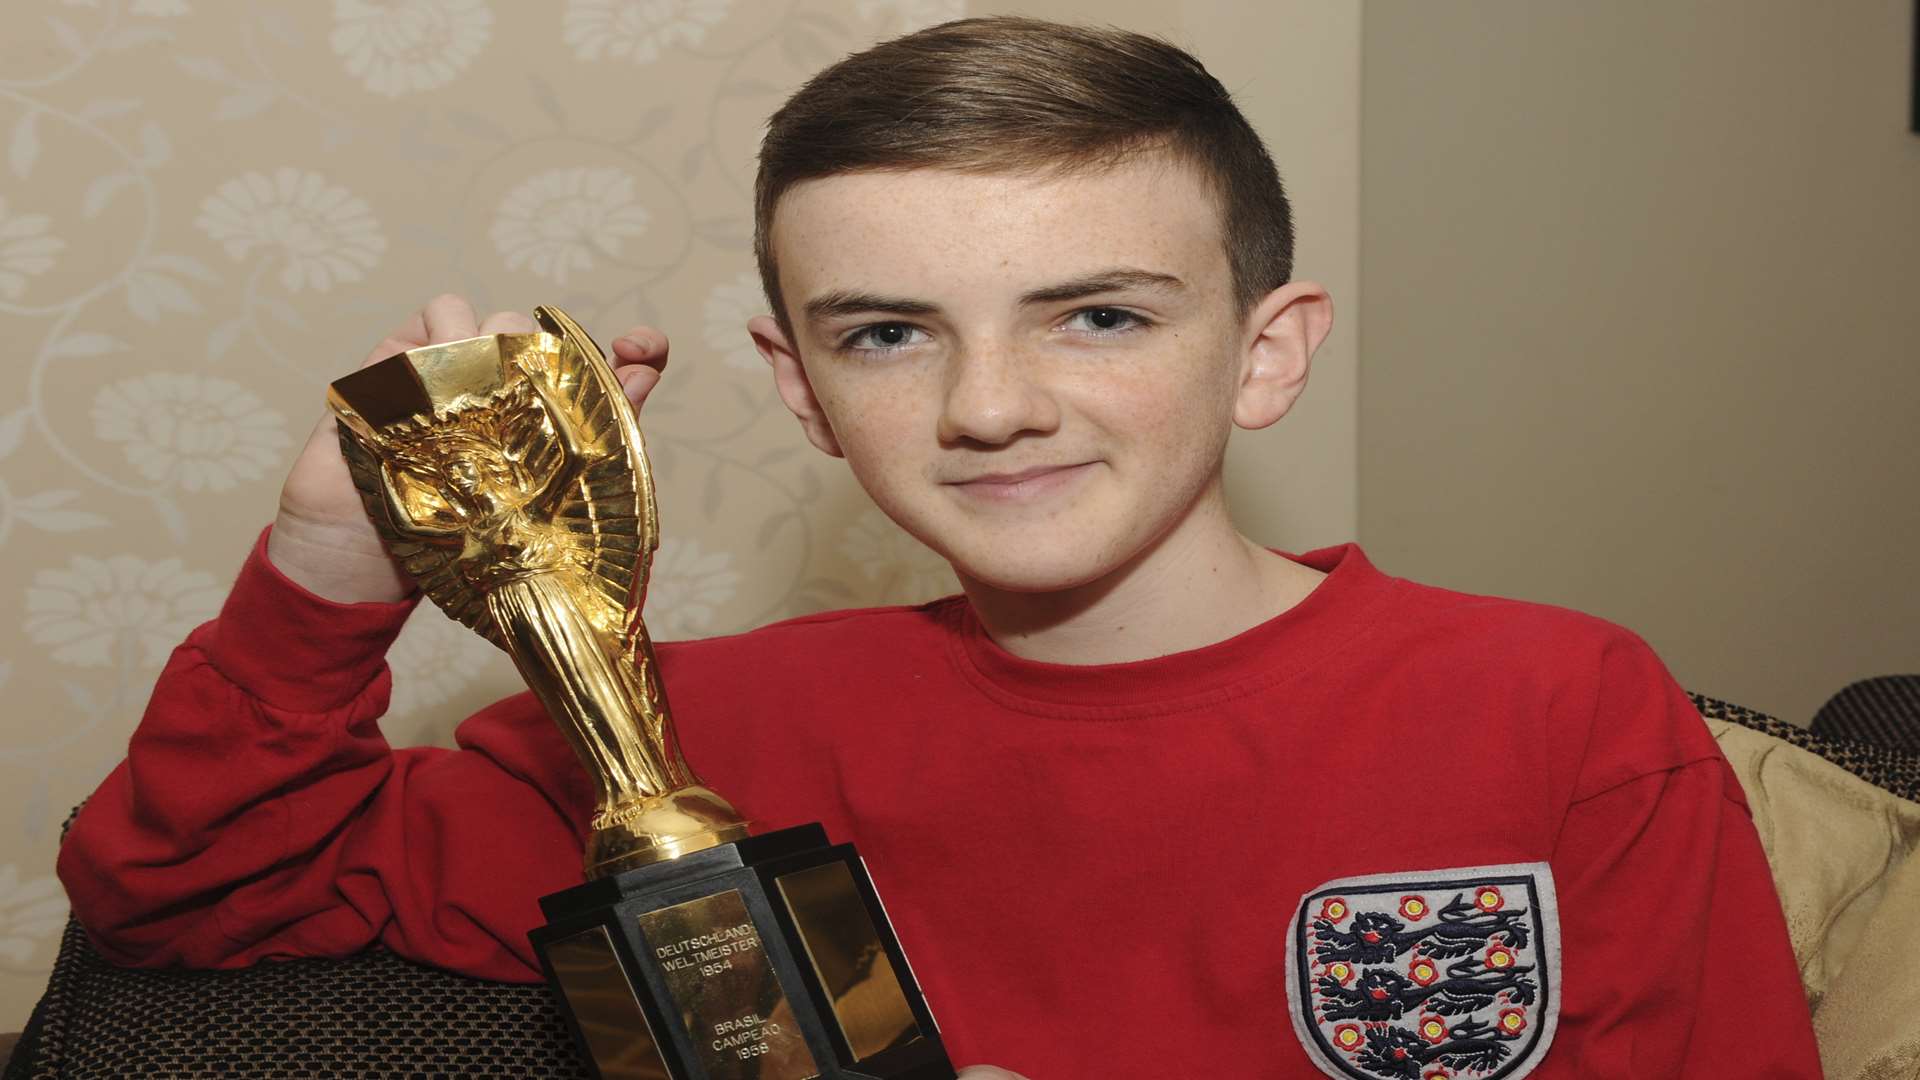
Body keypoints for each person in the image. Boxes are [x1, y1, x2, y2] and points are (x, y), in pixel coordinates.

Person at [56, 16, 1820, 1079]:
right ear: (803, 386)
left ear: (1267, 350)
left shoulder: (1554, 701)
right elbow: (188, 896)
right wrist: (332, 571)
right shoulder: (675, 736)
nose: (993, 406)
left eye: (1102, 317)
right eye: (889, 333)